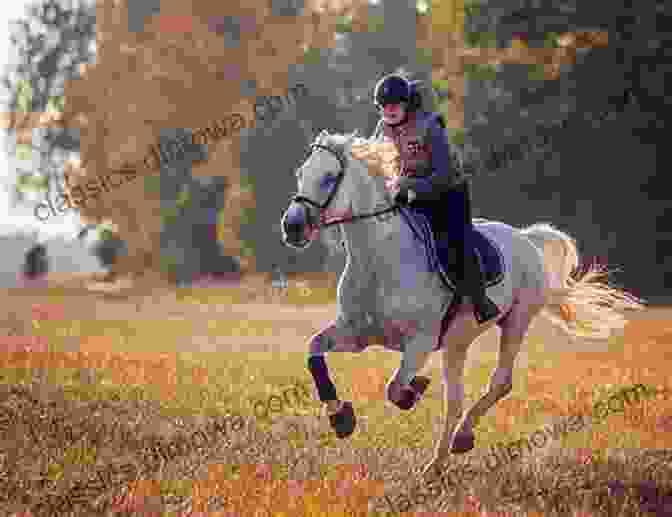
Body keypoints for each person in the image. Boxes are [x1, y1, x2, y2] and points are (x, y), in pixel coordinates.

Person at [371, 73, 500, 324]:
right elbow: (376, 164)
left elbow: (443, 174)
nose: (389, 111)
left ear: (407, 103)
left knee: (454, 238)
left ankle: (479, 299)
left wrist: (407, 185)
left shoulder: (429, 125)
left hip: (448, 191)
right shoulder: (381, 129)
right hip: (407, 193)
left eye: (395, 105)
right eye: (384, 107)